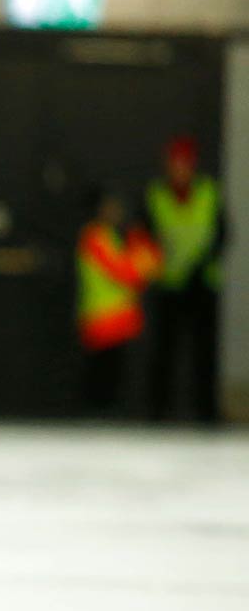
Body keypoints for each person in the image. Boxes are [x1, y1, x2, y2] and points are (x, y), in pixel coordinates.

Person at [144, 136, 229, 422]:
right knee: (164, 349)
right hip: (169, 283)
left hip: (203, 283)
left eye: (185, 164)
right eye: (175, 164)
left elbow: (222, 234)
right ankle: (158, 409)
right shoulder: (156, 195)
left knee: (204, 350)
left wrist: (202, 264)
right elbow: (145, 235)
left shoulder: (209, 192)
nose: (180, 169)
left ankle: (205, 411)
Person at [75, 188, 159, 416]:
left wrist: (144, 258)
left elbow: (144, 272)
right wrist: (145, 258)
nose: (115, 212)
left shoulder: (116, 237)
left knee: (116, 379)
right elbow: (126, 272)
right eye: (109, 206)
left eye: (117, 207)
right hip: (100, 319)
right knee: (99, 379)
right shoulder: (94, 236)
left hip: (120, 321)